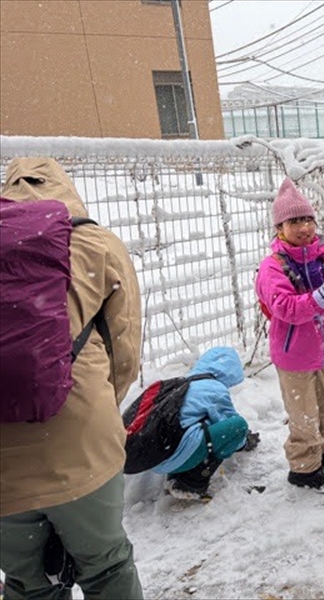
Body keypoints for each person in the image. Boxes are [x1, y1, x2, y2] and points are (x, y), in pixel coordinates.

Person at [0, 157, 144, 598]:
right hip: (81, 437)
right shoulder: (95, 242)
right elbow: (125, 347)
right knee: (107, 567)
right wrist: (101, 404)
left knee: (28, 583)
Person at [255, 177, 324, 493]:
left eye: (308, 219)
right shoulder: (273, 267)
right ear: (279, 227)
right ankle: (304, 468)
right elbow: (285, 307)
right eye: (294, 221)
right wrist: (321, 297)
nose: (303, 227)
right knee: (303, 415)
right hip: (295, 355)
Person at [124, 346, 261, 502]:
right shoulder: (215, 388)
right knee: (239, 426)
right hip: (175, 456)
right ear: (231, 371)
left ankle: (179, 472)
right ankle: (191, 482)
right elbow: (231, 428)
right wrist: (244, 442)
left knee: (198, 428)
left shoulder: (182, 383)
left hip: (156, 457)